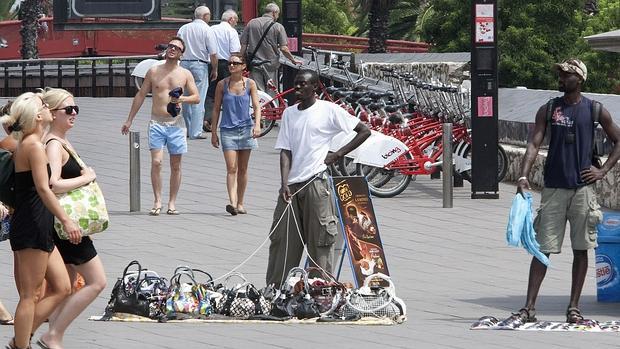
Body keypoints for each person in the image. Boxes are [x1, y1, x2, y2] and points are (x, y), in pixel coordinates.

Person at [512, 58, 620, 324]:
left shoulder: (595, 110)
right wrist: (523, 175)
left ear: (580, 79)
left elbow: (619, 140)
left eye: (567, 75)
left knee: (581, 250)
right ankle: (529, 307)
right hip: (553, 190)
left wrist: (602, 171)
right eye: (560, 74)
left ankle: (574, 308)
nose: (561, 79)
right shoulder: (549, 109)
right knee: (542, 249)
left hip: (583, 191)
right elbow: (534, 143)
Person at [265, 69, 370, 287]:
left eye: (303, 84)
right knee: (282, 240)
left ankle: (319, 290)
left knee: (320, 240)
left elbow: (363, 131)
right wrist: (284, 183)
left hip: (316, 181)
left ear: (315, 87)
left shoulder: (329, 110)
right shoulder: (289, 113)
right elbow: (285, 151)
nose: (298, 88)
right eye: (296, 84)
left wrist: (338, 153)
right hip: (292, 186)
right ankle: (276, 289)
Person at [1, 93, 79, 349]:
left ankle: (21, 339)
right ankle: (21, 345)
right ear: (36, 116)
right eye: (44, 107)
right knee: (29, 295)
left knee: (62, 287)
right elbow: (44, 189)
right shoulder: (32, 145)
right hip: (31, 222)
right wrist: (66, 220)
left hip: (37, 221)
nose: (48, 109)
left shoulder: (31, 142)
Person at [38, 88, 107, 349]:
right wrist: (87, 177)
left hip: (65, 223)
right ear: (53, 114)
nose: (74, 113)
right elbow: (52, 184)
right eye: (69, 110)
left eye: (76, 108)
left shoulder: (60, 140)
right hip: (67, 224)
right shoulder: (54, 144)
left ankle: (51, 337)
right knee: (96, 281)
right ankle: (52, 335)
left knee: (64, 287)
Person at [121, 37, 200, 216]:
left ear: (181, 53)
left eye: (176, 48)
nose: (172, 49)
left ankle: (172, 202)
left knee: (176, 165)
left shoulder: (185, 74)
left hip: (176, 124)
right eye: (170, 46)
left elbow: (196, 97)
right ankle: (157, 200)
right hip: (156, 122)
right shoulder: (154, 71)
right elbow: (141, 95)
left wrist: (182, 99)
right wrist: (129, 120)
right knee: (156, 162)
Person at [210, 54, 261, 216]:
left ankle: (240, 202)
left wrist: (257, 124)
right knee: (232, 167)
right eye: (230, 63)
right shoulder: (222, 85)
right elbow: (216, 108)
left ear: (243, 66)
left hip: (246, 129)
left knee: (243, 169)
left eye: (235, 63)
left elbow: (256, 106)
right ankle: (232, 202)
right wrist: (213, 131)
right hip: (227, 130)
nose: (231, 66)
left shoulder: (250, 84)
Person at [240, 2, 302, 94]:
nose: (277, 17)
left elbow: (243, 45)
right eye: (277, 14)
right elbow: (284, 48)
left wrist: (241, 60)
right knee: (271, 92)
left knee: (257, 93)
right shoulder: (278, 26)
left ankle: (259, 108)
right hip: (271, 65)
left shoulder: (252, 23)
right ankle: (271, 107)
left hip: (255, 63)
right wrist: (292, 59)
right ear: (274, 13)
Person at [177, 5, 218, 140]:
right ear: (205, 16)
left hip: (184, 64)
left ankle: (188, 129)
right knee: (198, 97)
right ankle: (196, 132)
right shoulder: (207, 29)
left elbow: (178, 46)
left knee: (186, 98)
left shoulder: (184, 28)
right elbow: (212, 52)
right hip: (199, 64)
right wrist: (214, 68)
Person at [204, 9, 242, 131]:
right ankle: (230, 120)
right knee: (228, 92)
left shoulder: (211, 29)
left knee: (211, 92)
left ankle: (207, 119)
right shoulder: (231, 32)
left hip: (212, 63)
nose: (236, 23)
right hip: (226, 64)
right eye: (236, 20)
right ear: (231, 19)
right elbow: (235, 51)